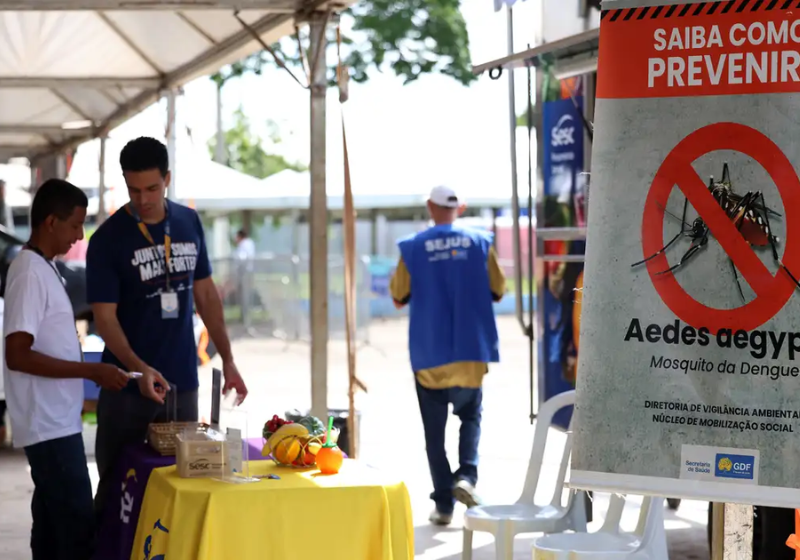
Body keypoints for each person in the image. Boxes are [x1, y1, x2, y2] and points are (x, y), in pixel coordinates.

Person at [86, 136, 248, 523]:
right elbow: (104, 320)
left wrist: (229, 359)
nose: (143, 199)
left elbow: (206, 296)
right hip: (127, 385)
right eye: (134, 189)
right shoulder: (108, 239)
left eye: (152, 188)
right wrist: (139, 370)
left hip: (181, 385)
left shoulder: (189, 222)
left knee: (181, 483)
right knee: (116, 489)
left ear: (168, 179)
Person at [3, 179, 131, 559]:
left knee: (50, 527)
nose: (79, 236)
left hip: (56, 420)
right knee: (76, 529)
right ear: (49, 222)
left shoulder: (44, 267)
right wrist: (90, 372)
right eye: (75, 225)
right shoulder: (28, 271)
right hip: (48, 426)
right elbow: (17, 354)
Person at [389, 185, 506, 525]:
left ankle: (443, 505)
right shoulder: (481, 242)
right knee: (471, 417)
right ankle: (466, 476)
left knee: (434, 436)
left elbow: (398, 297)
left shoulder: (412, 247)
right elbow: (498, 291)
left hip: (430, 355)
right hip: (470, 352)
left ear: (430, 206)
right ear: (461, 208)